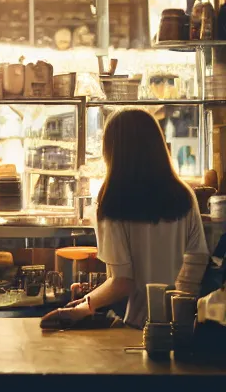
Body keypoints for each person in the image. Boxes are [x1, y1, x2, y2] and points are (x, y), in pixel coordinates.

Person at [42, 109, 208, 329]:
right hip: (181, 324)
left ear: (112, 151)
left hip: (135, 325)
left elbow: (122, 282)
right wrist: (177, 305)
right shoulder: (184, 195)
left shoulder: (113, 201)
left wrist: (79, 310)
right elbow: (197, 259)